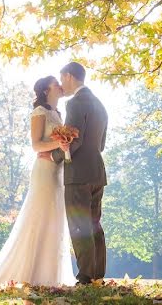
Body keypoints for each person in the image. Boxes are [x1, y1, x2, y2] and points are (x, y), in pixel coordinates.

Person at [0, 76, 76, 287]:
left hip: (58, 171)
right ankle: (28, 272)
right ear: (46, 90)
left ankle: (50, 275)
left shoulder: (58, 113)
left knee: (54, 219)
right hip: (44, 171)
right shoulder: (40, 113)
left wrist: (64, 147)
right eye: (55, 83)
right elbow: (36, 145)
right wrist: (58, 141)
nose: (60, 85)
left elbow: (55, 146)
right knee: (39, 217)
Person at [54, 62, 108, 286]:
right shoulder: (101, 104)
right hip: (97, 172)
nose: (61, 84)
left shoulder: (75, 103)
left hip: (78, 174)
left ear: (68, 76)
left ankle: (85, 276)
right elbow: (101, 144)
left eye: (62, 78)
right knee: (95, 224)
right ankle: (97, 274)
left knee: (79, 224)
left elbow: (73, 140)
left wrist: (56, 157)